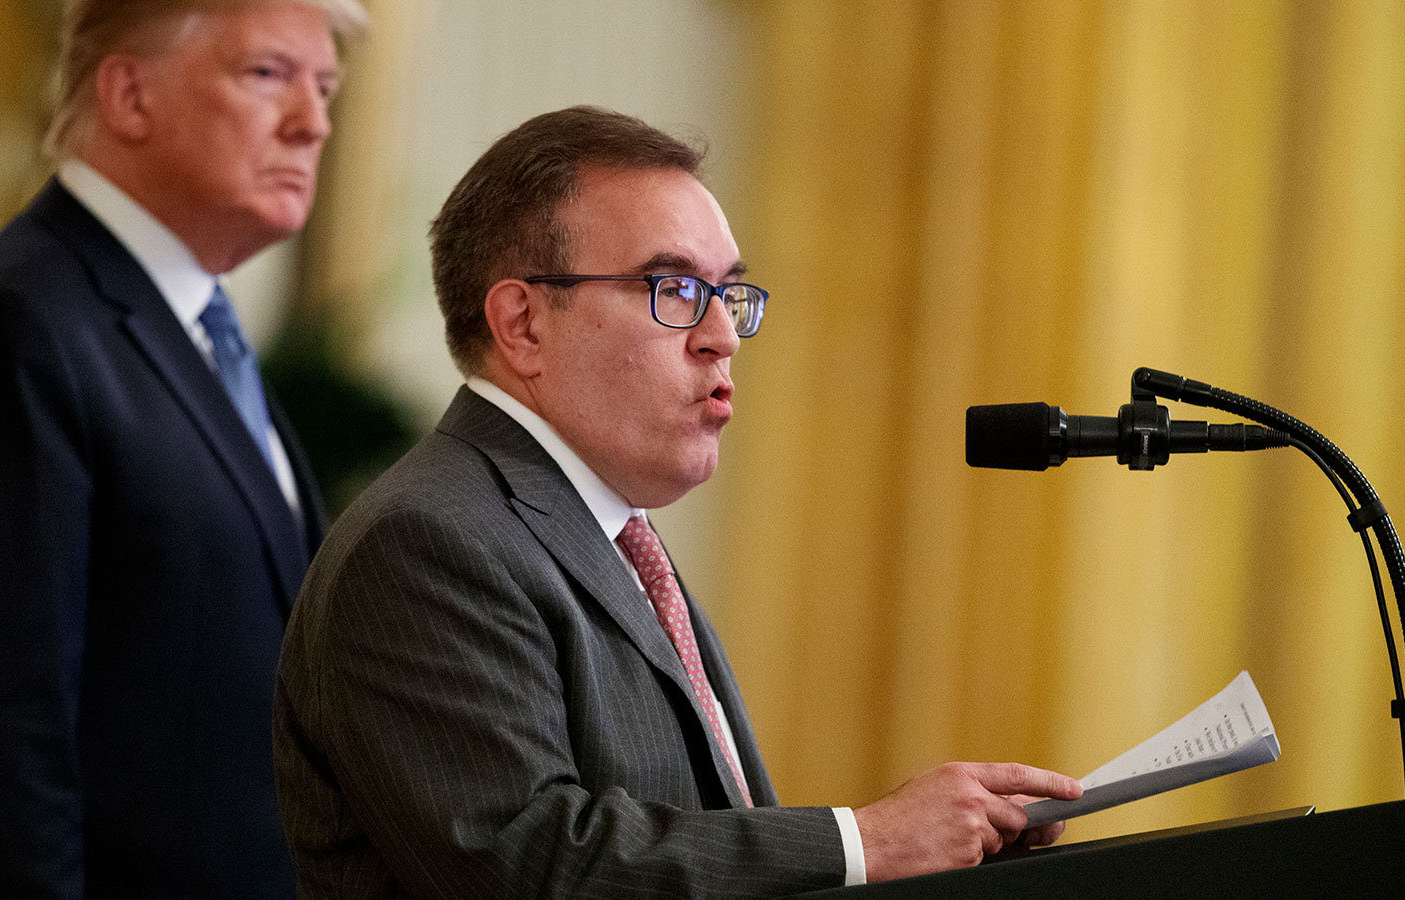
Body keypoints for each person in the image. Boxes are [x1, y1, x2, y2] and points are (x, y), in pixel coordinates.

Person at [272, 106, 1082, 899]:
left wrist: (934, 853)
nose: (722, 336)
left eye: (727, 293)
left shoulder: (612, 534)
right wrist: (866, 842)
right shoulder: (430, 540)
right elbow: (527, 864)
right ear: (522, 323)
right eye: (673, 288)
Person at [0, 0, 367, 896]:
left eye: (324, 86)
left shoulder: (199, 339)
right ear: (129, 94)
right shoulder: (11, 330)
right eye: (267, 75)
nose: (313, 120)